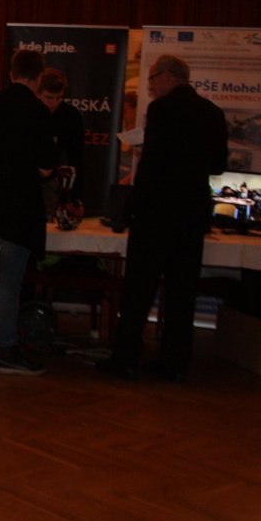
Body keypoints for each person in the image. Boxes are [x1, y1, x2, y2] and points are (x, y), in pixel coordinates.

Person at [100, 55, 227, 383]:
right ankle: (175, 363)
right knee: (182, 291)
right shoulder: (212, 112)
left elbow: (153, 166)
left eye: (153, 78)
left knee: (139, 288)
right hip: (192, 214)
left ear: (169, 76)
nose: (151, 85)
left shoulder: (162, 110)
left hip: (157, 213)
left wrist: (131, 207)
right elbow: (218, 165)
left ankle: (127, 358)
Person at [0, 48, 56, 376]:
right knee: (10, 282)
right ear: (39, 77)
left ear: (11, 73)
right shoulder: (39, 111)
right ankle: (6, 348)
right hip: (20, 209)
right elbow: (46, 168)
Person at [37, 67, 86, 222]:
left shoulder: (70, 115)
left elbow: (77, 157)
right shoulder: (29, 113)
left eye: (59, 98)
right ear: (37, 93)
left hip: (55, 183)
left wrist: (75, 198)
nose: (54, 103)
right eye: (49, 98)